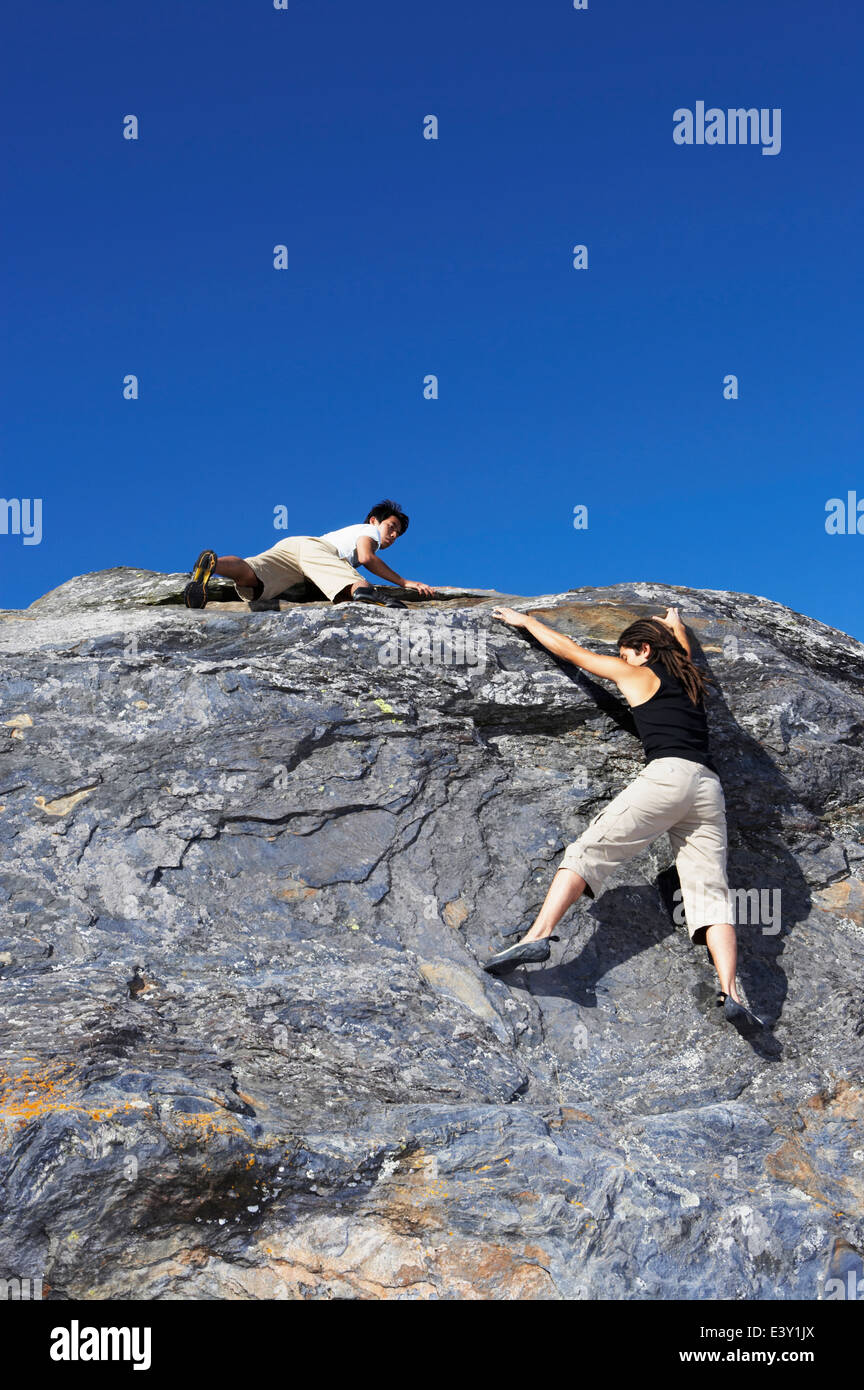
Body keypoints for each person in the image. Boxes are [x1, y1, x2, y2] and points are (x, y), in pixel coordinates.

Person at [484, 604, 763, 1029]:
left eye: (625, 652)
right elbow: (683, 650)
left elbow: (572, 653)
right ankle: (732, 990)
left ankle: (537, 936)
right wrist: (676, 625)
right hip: (708, 789)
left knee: (588, 851)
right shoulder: (688, 679)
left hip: (667, 776)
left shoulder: (636, 673)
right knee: (710, 893)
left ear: (643, 650)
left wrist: (528, 623)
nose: (621, 659)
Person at [183, 500, 435, 609]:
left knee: (251, 574)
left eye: (397, 534)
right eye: (391, 527)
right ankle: (368, 595)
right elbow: (367, 557)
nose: (392, 535)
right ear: (374, 520)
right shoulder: (369, 532)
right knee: (355, 585)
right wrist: (405, 583)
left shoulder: (353, 531)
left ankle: (213, 566)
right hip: (318, 550)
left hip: (293, 547)